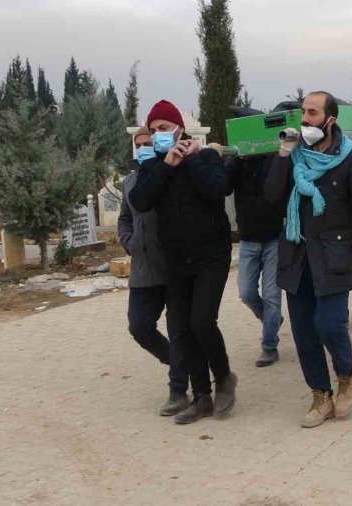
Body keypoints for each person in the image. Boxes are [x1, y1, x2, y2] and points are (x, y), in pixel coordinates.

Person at [264, 91, 352, 428]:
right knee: (303, 332)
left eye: (312, 113)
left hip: (332, 254)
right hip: (295, 254)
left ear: (330, 119)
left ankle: (348, 374)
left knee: (329, 324)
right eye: (303, 112)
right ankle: (320, 395)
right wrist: (282, 154)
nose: (305, 119)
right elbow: (272, 198)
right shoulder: (293, 153)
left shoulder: (349, 158)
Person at [129, 100, 236, 425]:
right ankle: (201, 396)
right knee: (185, 331)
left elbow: (219, 188)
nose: (159, 135)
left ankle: (224, 379)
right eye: (154, 129)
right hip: (176, 261)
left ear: (178, 128)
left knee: (203, 322)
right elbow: (140, 200)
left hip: (211, 257)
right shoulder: (155, 167)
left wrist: (189, 160)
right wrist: (168, 164)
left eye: (164, 128)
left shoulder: (203, 157)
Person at [119, 126, 190, 416]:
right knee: (140, 326)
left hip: (172, 267)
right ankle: (178, 362)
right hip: (142, 269)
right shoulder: (130, 182)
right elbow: (125, 217)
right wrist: (129, 242)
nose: (146, 147)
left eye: (150, 142)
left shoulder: (171, 175)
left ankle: (178, 390)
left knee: (179, 330)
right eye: (140, 144)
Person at [225, 110, 286, 367]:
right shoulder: (237, 161)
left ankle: (269, 345)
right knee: (247, 292)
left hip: (274, 238)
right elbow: (224, 186)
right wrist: (236, 159)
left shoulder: (275, 157)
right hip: (249, 240)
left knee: (272, 295)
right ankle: (272, 319)